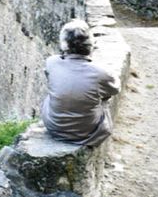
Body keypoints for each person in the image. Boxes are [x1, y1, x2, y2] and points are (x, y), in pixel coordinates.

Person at [41, 19, 120, 147]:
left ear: (64, 44)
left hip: (53, 128)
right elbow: (115, 89)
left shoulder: (51, 62)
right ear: (91, 44)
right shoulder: (101, 73)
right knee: (103, 97)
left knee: (53, 94)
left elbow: (49, 78)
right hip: (86, 133)